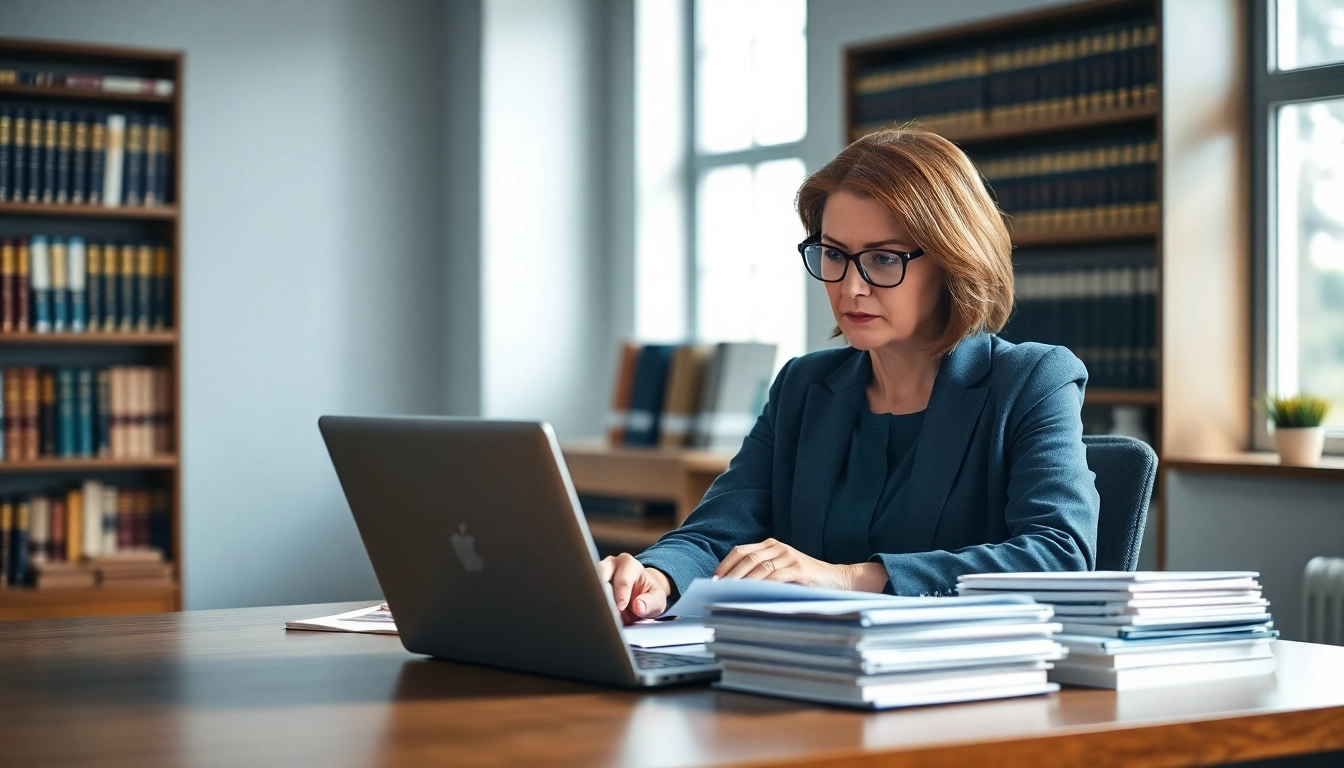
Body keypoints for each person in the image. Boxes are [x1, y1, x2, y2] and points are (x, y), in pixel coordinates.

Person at [598, 128, 1100, 624]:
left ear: (953, 262)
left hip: (955, 683)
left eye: (883, 259)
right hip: (812, 672)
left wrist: (846, 578)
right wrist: (655, 575)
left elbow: (1058, 557)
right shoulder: (804, 386)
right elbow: (717, 532)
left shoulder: (1032, 380)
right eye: (834, 254)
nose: (850, 287)